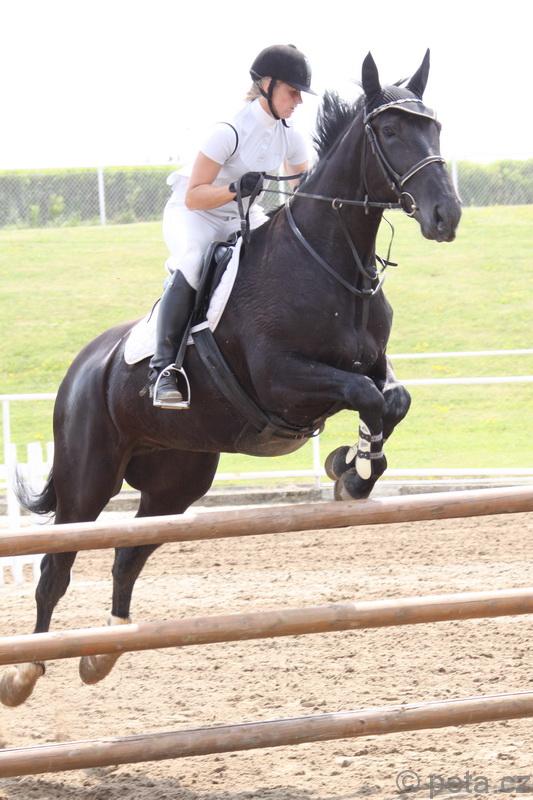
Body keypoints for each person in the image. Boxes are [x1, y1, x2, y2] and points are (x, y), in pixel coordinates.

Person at [149, 43, 315, 409]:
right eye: (293, 91)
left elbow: (302, 189)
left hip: (243, 213)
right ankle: (164, 370)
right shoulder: (228, 131)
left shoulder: (290, 136)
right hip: (195, 216)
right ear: (267, 85)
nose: (298, 101)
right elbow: (194, 196)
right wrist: (234, 189)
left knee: (281, 254)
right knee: (193, 261)